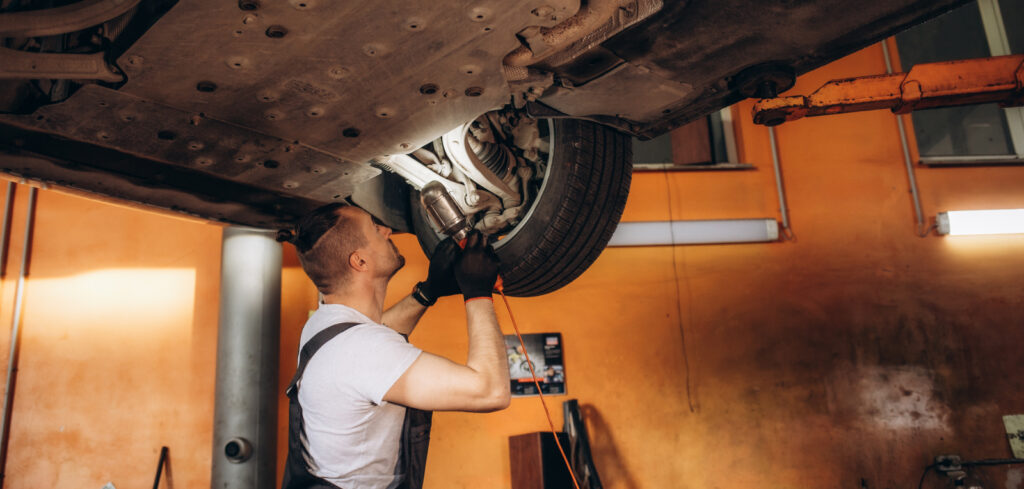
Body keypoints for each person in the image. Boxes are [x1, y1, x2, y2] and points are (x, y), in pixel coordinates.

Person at [277, 203, 510, 489]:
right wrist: (477, 293)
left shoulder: (324, 324)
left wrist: (428, 291)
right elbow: (490, 391)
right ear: (360, 262)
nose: (387, 230)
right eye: (375, 229)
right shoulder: (363, 351)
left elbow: (372, 343)